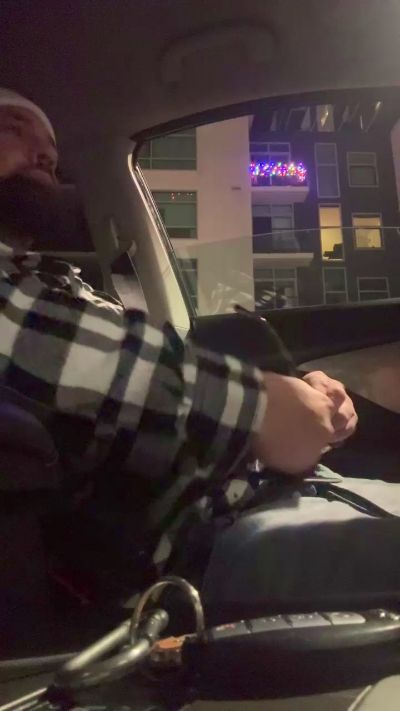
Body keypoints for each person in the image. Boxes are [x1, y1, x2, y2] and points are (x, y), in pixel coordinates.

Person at [0, 89, 357, 570]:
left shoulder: (54, 285)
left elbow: (151, 365)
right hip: (205, 552)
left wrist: (304, 403)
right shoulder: (17, 299)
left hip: (267, 509)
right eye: (14, 129)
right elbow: (120, 373)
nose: (45, 155)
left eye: (51, 149)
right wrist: (269, 407)